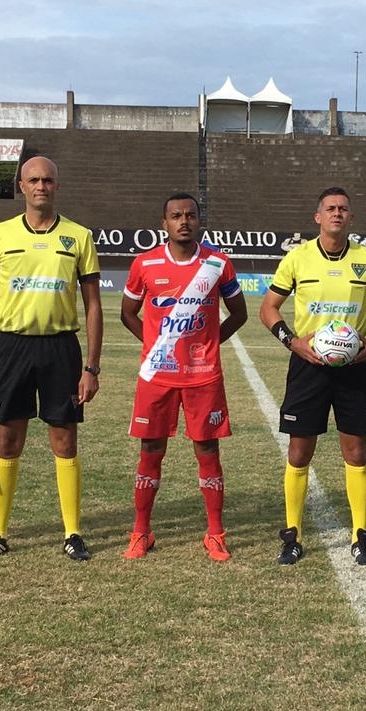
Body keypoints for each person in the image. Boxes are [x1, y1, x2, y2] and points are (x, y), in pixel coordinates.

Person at [0, 155, 104, 562]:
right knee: (7, 439)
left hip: (61, 348)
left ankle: (72, 532)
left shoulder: (79, 236)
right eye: (33, 180)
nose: (41, 185)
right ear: (21, 187)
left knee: (64, 438)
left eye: (48, 180)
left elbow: (94, 306)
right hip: (11, 347)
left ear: (56, 186)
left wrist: (92, 367)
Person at [259, 186, 366, 566]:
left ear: (351, 218)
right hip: (308, 367)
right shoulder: (297, 259)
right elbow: (269, 308)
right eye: (330, 208)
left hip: (355, 368)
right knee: (299, 451)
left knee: (355, 451)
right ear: (317, 217)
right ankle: (292, 534)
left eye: (343, 209)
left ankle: (360, 535)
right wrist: (292, 342)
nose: (337, 213)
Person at [120, 194, 248, 561]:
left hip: (203, 377)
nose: (184, 221)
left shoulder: (217, 264)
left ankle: (215, 533)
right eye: (176, 216)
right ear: (164, 223)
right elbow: (128, 313)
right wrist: (156, 344)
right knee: (150, 450)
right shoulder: (144, 263)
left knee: (207, 450)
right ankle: (141, 531)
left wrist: (210, 343)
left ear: (198, 221)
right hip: (157, 377)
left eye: (190, 215)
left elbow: (238, 314)